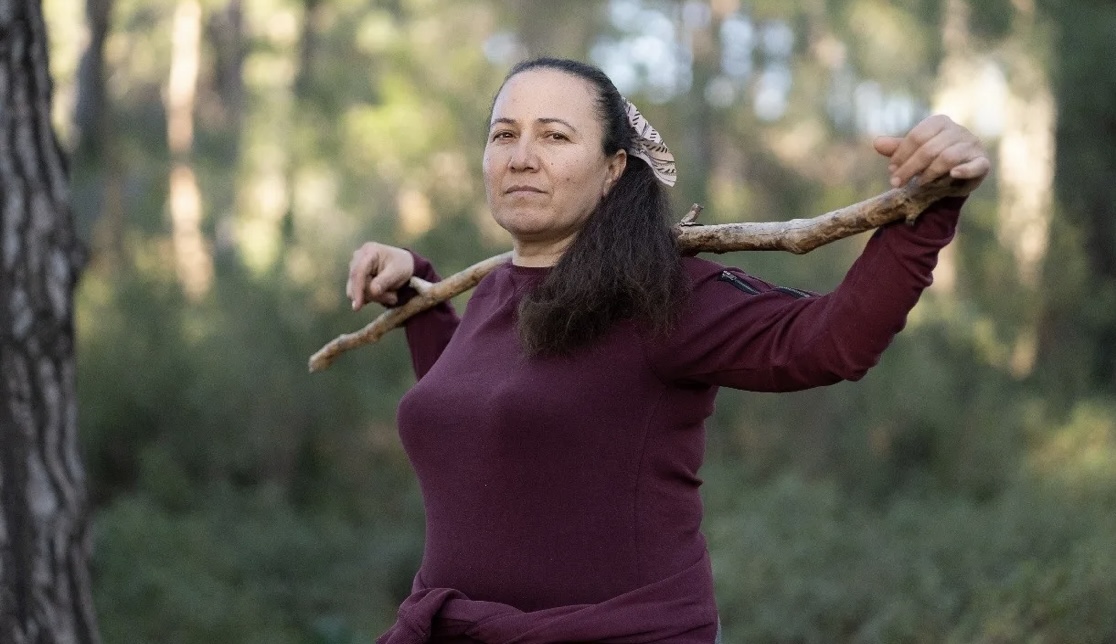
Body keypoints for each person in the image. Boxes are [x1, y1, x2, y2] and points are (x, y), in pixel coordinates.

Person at [346, 58, 989, 644]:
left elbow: (831, 343)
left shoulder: (663, 295)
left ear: (613, 168)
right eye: (504, 134)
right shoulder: (493, 294)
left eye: (555, 136)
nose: (521, 156)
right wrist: (416, 295)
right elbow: (478, 418)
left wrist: (929, 207)